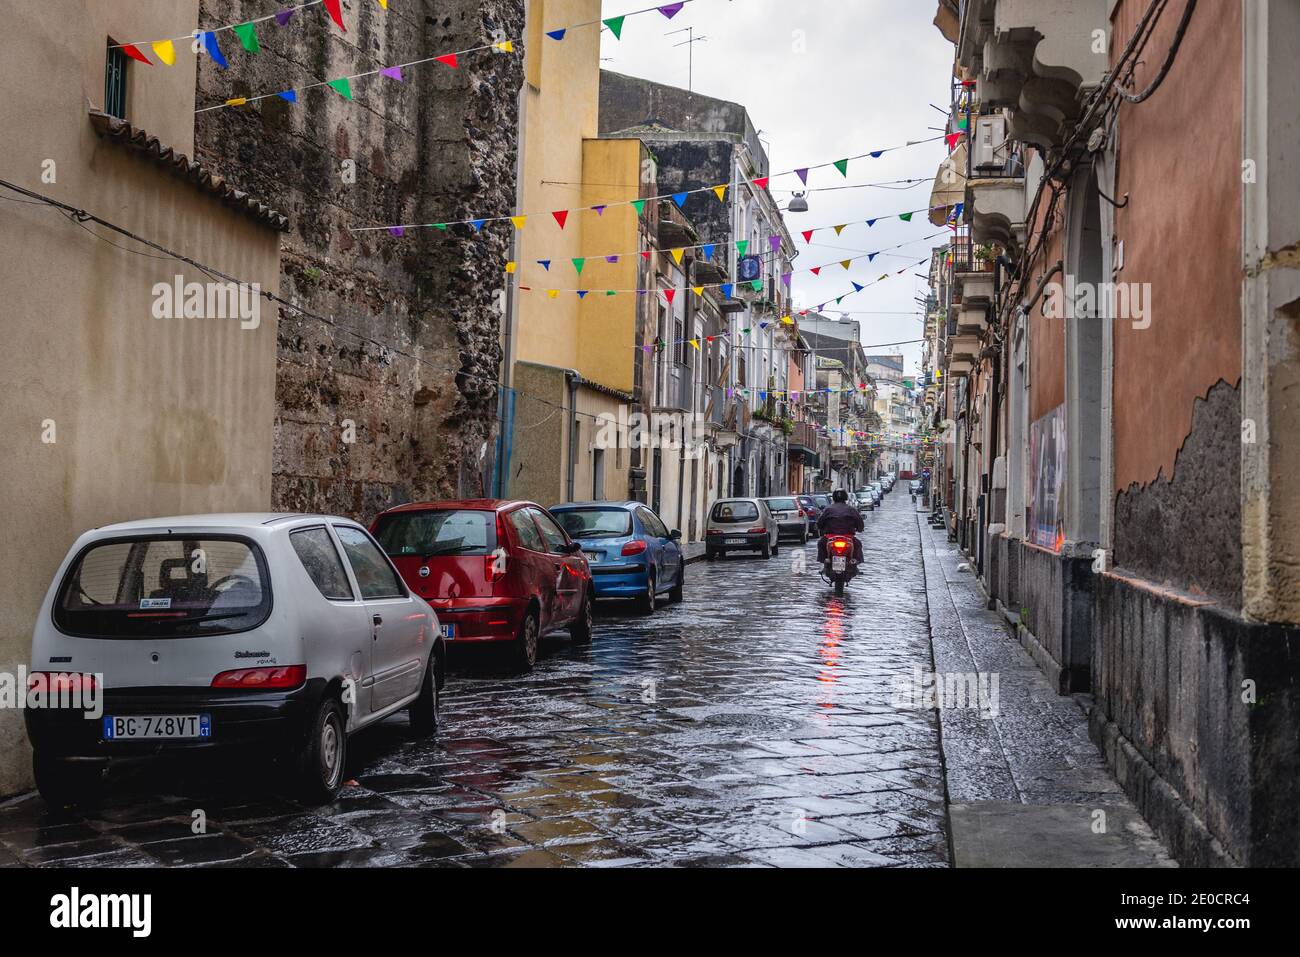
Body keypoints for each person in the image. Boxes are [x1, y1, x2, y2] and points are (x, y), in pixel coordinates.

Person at [817, 489, 865, 564]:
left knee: (821, 543)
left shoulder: (828, 509)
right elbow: (860, 523)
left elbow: (820, 523)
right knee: (858, 544)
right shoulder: (851, 509)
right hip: (848, 537)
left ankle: (825, 560)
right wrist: (860, 528)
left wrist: (821, 528)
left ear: (834, 497)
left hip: (830, 537)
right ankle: (855, 560)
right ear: (846, 497)